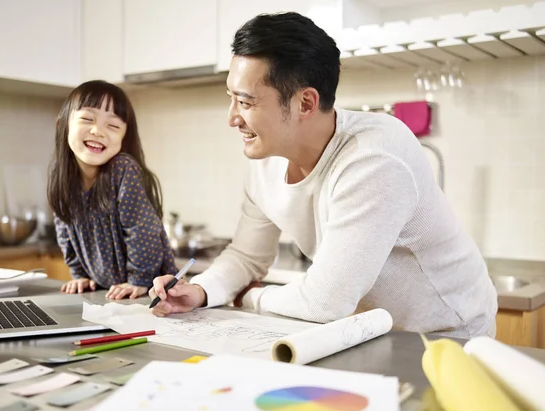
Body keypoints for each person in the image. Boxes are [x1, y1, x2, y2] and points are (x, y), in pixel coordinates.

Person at [148, 13, 497, 338]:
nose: (232, 118)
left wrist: (251, 298)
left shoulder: (374, 158)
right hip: (374, 328)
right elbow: (246, 256)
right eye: (231, 98)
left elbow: (325, 303)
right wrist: (200, 290)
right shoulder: (265, 157)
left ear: (305, 103)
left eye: (246, 102)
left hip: (449, 332)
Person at [48, 80, 177, 300]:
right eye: (87, 119)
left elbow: (142, 231)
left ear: (123, 137)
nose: (98, 131)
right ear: (63, 126)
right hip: (108, 293)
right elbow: (65, 232)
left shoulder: (122, 169)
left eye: (113, 126)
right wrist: (79, 274)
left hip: (150, 291)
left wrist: (140, 280)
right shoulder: (62, 177)